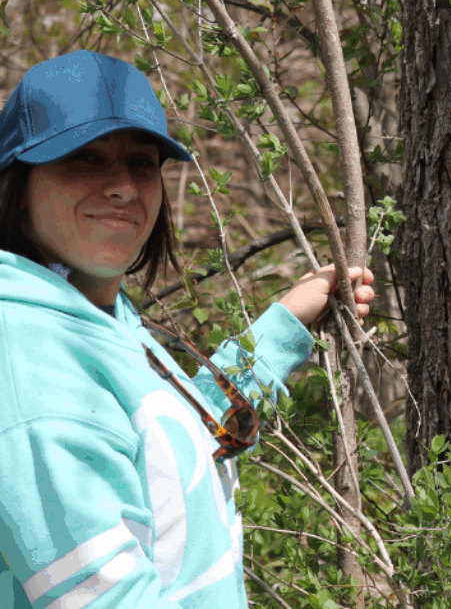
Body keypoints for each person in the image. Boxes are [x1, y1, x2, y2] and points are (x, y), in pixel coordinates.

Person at [0, 50, 375, 609]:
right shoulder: (31, 365)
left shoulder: (90, 315)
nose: (123, 186)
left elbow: (165, 454)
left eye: (142, 163)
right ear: (18, 187)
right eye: (84, 159)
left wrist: (281, 329)